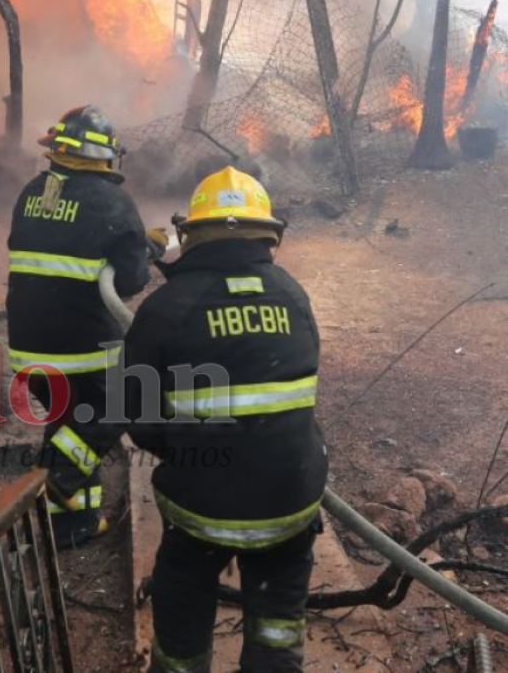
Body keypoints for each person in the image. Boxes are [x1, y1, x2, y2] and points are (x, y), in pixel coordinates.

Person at [124, 166, 328, 673]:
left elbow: (138, 420)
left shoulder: (165, 307)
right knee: (279, 622)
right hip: (290, 502)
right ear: (267, 235)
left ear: (193, 233)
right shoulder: (294, 296)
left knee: (183, 591)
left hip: (201, 509)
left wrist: (192, 450)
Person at [7, 105, 164, 548]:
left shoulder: (32, 192)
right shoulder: (112, 200)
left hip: (28, 350)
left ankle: (72, 525)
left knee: (68, 425)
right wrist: (143, 248)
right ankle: (61, 474)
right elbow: (130, 281)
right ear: (103, 155)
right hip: (82, 349)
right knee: (130, 401)